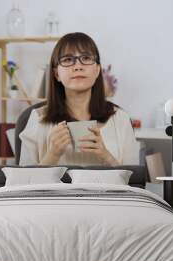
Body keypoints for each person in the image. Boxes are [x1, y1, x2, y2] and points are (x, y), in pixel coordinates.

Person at [19, 32, 140, 166]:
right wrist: (52, 154)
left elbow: (135, 181)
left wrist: (106, 156)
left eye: (86, 58)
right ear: (56, 73)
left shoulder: (120, 119)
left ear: (97, 70)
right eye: (68, 60)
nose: (78, 66)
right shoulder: (38, 119)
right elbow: (24, 183)